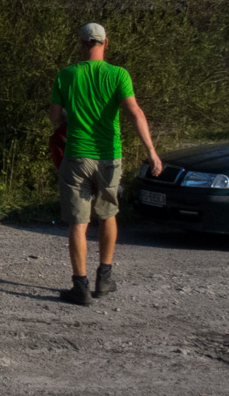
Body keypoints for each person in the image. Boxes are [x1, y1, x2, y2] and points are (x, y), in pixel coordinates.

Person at [47, 22, 162, 306]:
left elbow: (54, 117)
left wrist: (69, 115)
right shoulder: (118, 75)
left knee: (78, 222)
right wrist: (151, 151)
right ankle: (104, 278)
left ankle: (80, 287)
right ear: (105, 43)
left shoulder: (67, 75)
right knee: (108, 214)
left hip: (76, 157)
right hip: (109, 158)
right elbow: (134, 111)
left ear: (81, 43)